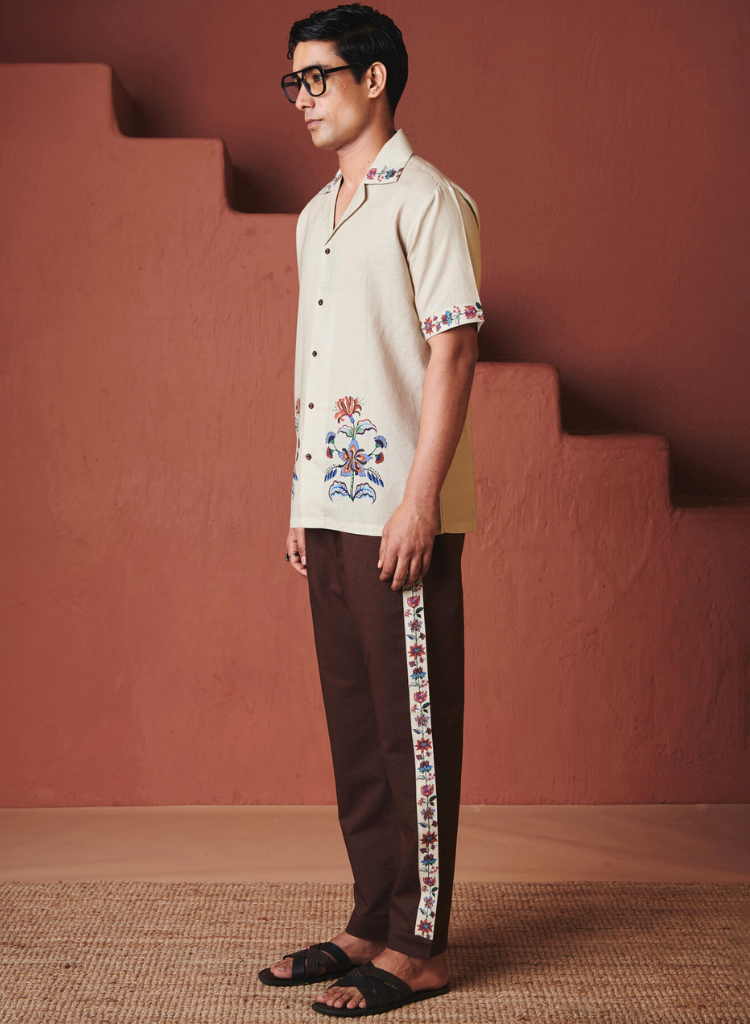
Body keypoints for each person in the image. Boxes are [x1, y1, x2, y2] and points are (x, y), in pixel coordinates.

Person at [258, 4, 484, 1016]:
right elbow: (319, 364)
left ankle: (420, 945)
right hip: (331, 506)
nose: (302, 98)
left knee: (411, 733)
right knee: (356, 730)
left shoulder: (427, 199)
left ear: (375, 78)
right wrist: (300, 495)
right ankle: (370, 919)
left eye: (317, 77)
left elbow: (454, 350)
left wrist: (421, 498)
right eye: (295, 81)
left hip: (400, 512)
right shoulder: (317, 215)